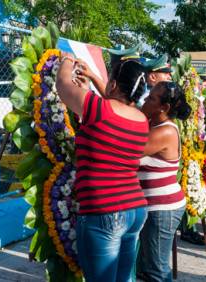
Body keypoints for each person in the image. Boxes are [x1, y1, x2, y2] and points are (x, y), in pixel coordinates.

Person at [56, 54, 149, 282]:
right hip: (134, 208)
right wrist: (92, 81)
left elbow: (62, 85)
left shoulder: (98, 109)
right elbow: (109, 106)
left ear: (114, 84)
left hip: (105, 210)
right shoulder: (141, 119)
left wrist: (67, 61)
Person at [136, 81, 191, 282]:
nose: (145, 100)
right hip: (154, 207)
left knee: (157, 270)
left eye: (151, 98)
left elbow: (127, 150)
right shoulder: (154, 123)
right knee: (147, 267)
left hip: (162, 210)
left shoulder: (165, 131)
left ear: (164, 108)